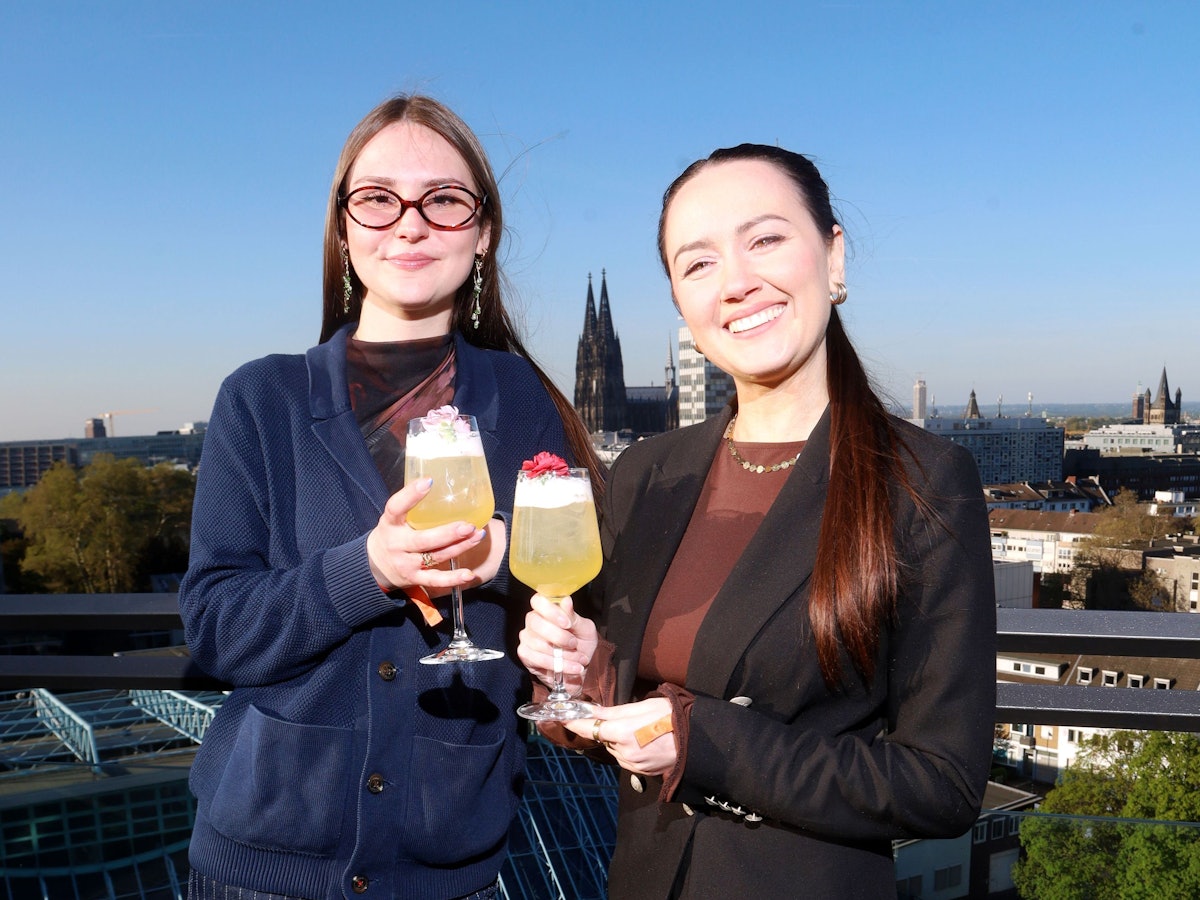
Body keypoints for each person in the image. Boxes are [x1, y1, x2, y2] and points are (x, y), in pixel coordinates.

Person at [518, 144, 997, 898]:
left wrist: (701, 740)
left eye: (765, 239)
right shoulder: (647, 473)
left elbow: (943, 785)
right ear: (680, 303)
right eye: (698, 263)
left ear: (834, 258)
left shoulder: (922, 481)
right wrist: (576, 678)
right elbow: (617, 702)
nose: (736, 281)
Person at [179, 94, 600, 900]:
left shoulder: (520, 397)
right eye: (377, 199)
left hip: (450, 863)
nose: (409, 225)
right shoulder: (262, 399)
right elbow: (216, 629)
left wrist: (540, 609)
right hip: (262, 868)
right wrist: (365, 569)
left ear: (483, 232)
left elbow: (565, 589)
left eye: (444, 200)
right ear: (343, 229)